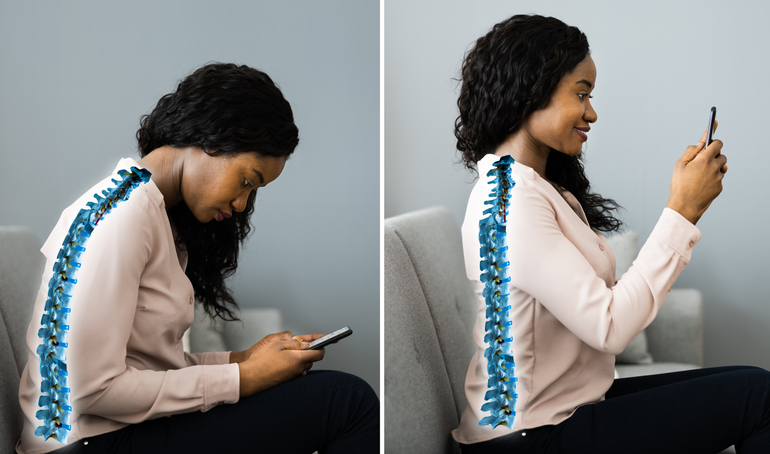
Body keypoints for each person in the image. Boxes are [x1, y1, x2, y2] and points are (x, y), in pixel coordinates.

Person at [16, 63, 379, 454]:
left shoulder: (154, 214)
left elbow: (146, 370)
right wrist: (243, 378)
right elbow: (87, 388)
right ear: (210, 136)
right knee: (347, 402)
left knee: (334, 396)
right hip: (85, 443)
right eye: (246, 181)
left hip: (113, 431)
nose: (241, 205)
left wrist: (243, 359)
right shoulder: (122, 215)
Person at [451, 14, 770, 454]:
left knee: (755, 383)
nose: (592, 112)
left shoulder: (536, 188)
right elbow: (610, 327)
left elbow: (596, 307)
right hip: (529, 438)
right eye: (581, 94)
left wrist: (683, 210)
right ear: (530, 90)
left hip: (562, 414)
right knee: (760, 396)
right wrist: (681, 211)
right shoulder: (510, 202)